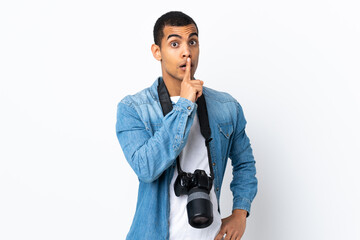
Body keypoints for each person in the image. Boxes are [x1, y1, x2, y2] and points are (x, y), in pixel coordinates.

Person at [116, 11, 258, 240]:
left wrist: (240, 213)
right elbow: (146, 169)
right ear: (157, 52)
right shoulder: (133, 109)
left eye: (192, 42)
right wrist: (184, 105)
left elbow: (245, 163)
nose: (186, 51)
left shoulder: (226, 107)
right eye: (174, 43)